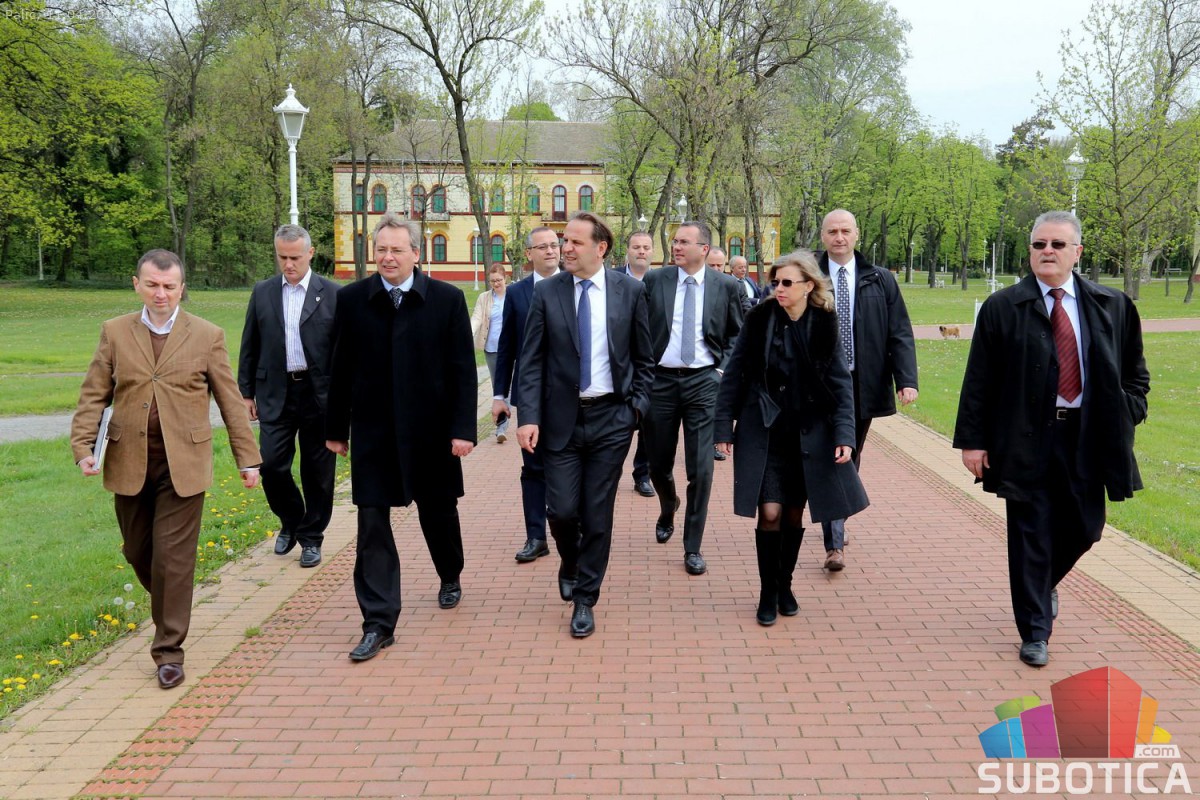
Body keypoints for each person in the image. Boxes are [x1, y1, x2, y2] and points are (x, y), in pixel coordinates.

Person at [953, 210, 1149, 668]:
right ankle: (1035, 631)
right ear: (1030, 251)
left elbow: (1136, 374)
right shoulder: (1004, 307)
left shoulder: (1112, 305)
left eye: (1058, 245)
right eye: (1039, 244)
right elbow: (979, 380)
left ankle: (1041, 585)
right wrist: (973, 441)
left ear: (1077, 252)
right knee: (1030, 532)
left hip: (1088, 436)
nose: (1047, 251)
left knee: (1086, 527)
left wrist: (1127, 411)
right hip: (1025, 438)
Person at [71, 249, 261, 690]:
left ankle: (169, 651)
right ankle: (172, 600)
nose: (161, 294)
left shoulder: (207, 335)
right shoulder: (115, 332)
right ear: (137, 285)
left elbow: (230, 402)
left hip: (184, 466)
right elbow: (93, 395)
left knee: (173, 560)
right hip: (129, 461)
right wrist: (83, 447)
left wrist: (248, 458)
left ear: (181, 288)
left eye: (169, 286)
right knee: (139, 552)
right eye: (153, 285)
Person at [325, 213, 477, 662]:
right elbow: (340, 367)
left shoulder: (447, 299)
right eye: (381, 250)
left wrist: (462, 430)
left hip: (431, 432)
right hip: (373, 432)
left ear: (416, 252)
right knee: (372, 523)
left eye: (396, 249)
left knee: (438, 511)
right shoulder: (353, 299)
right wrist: (335, 429)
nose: (388, 257)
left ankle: (449, 573)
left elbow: (462, 370)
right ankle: (378, 622)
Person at [516, 211, 654, 638]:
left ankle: (584, 598)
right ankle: (571, 562)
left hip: (612, 419)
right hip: (560, 421)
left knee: (596, 514)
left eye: (575, 242)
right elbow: (531, 360)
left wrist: (635, 410)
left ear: (601, 248)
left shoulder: (631, 291)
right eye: (564, 241)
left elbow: (644, 358)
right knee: (560, 510)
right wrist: (528, 417)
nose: (566, 248)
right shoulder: (548, 292)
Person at [714, 251, 867, 625]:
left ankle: (785, 584)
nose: (778, 289)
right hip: (764, 431)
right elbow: (734, 374)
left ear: (808, 286)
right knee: (770, 512)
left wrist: (844, 434)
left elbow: (840, 385)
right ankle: (767, 592)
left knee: (794, 514)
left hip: (808, 436)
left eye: (786, 283)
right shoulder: (759, 319)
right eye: (775, 282)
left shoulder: (824, 324)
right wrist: (722, 427)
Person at [816, 208, 918, 571]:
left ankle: (837, 517)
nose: (839, 237)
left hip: (863, 382)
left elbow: (899, 331)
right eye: (832, 231)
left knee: (850, 454)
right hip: (819, 383)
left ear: (857, 235)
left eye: (845, 231)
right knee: (832, 453)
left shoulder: (879, 279)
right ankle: (834, 541)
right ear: (823, 236)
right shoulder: (809, 275)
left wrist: (906, 379)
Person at [643, 221, 744, 575]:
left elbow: (736, 335)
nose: (676, 246)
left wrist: (720, 372)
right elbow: (639, 329)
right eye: (675, 241)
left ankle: (692, 546)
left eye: (684, 242)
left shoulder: (726, 286)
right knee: (657, 465)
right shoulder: (655, 281)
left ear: (703, 249)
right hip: (660, 382)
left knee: (701, 469)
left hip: (704, 382)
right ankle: (668, 504)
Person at [238, 224, 339, 569]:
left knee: (318, 472)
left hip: (318, 395)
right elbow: (249, 343)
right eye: (282, 257)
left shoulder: (332, 294)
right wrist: (246, 392)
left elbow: (343, 351)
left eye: (295, 257)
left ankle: (312, 537)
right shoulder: (263, 292)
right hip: (275, 392)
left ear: (310, 253)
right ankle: (292, 521)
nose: (288, 264)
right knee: (271, 464)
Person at [493, 227, 561, 563]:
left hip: (569, 395)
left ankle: (572, 530)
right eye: (542, 246)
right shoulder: (517, 293)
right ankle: (536, 536)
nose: (550, 251)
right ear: (529, 254)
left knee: (567, 464)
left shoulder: (574, 285)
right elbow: (506, 347)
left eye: (554, 245)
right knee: (533, 467)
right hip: (530, 395)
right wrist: (499, 394)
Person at [618, 230, 656, 496]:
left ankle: (642, 474)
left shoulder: (660, 282)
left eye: (646, 247)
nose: (641, 251)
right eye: (636, 247)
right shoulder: (612, 279)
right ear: (627, 250)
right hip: (618, 363)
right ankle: (608, 472)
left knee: (648, 425)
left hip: (650, 365)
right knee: (618, 424)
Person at [472, 263, 509, 443]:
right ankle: (501, 427)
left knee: (513, 387)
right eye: (493, 281)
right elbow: (477, 318)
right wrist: (468, 333)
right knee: (499, 388)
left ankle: (524, 423)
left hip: (511, 349)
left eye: (499, 280)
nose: (496, 284)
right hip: (492, 349)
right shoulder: (484, 298)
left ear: (505, 278)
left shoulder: (513, 295)